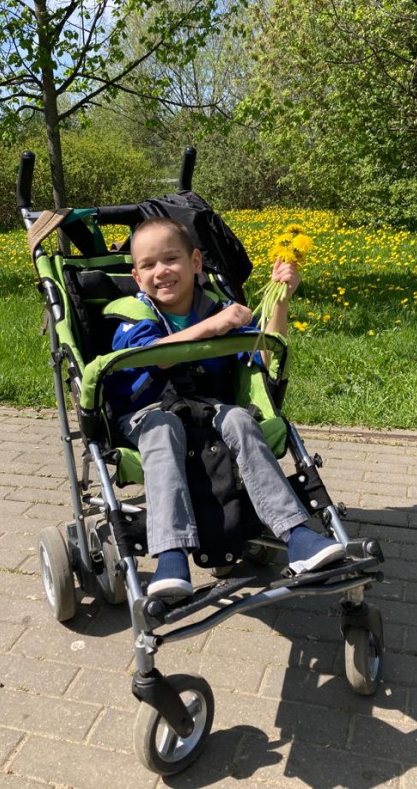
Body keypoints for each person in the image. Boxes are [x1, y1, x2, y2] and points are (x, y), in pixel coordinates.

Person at [108, 217, 345, 600]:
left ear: (195, 262)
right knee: (164, 429)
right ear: (137, 277)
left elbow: (262, 355)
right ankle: (171, 554)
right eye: (148, 265)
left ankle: (296, 533)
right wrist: (214, 327)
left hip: (209, 411)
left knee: (239, 417)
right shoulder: (135, 316)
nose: (161, 271)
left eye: (171, 259)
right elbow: (157, 357)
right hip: (149, 415)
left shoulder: (214, 307)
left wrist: (281, 301)